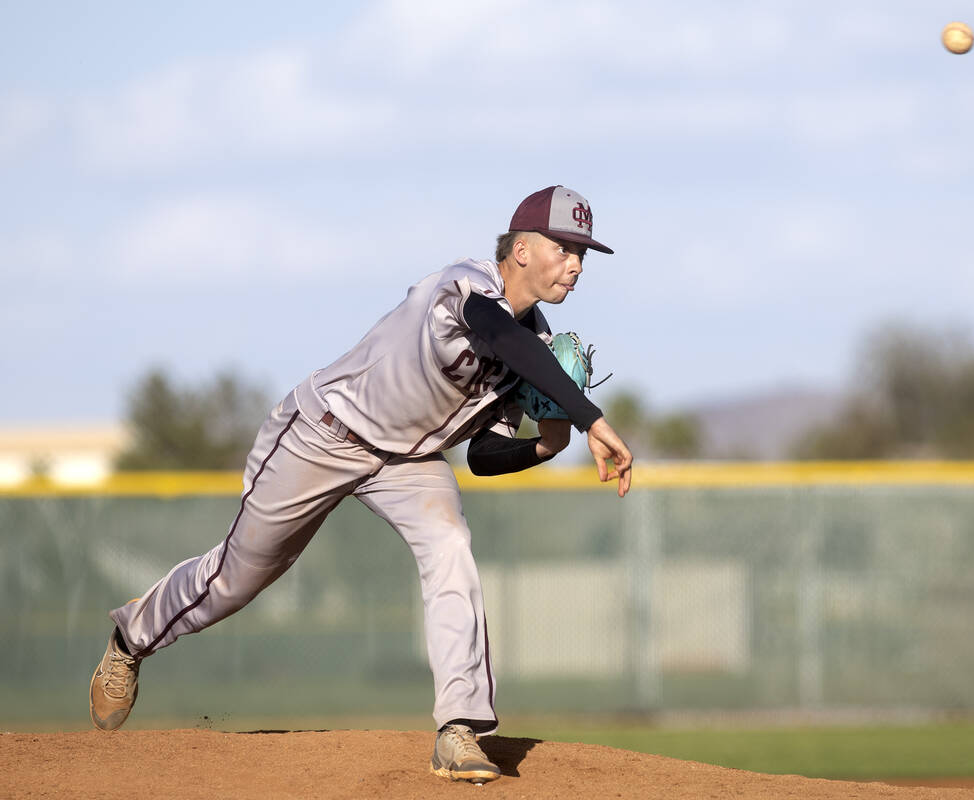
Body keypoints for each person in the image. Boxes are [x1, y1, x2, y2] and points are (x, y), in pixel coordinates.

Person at [88, 185, 634, 785]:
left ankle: (460, 729)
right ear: (522, 249)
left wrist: (546, 444)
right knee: (236, 579)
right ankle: (130, 638)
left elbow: (483, 455)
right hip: (323, 433)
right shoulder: (464, 287)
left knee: (450, 545)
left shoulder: (537, 347)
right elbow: (495, 332)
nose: (577, 264)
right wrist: (587, 414)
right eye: (566, 247)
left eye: (584, 253)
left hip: (409, 462)